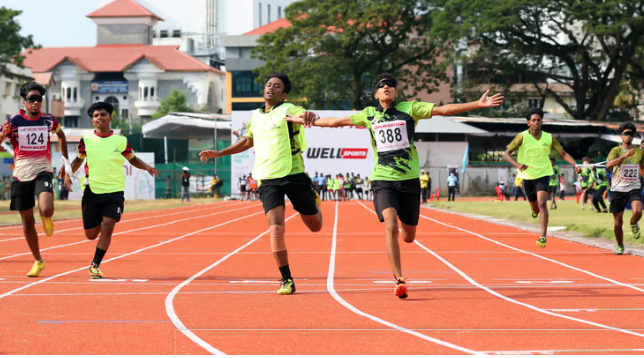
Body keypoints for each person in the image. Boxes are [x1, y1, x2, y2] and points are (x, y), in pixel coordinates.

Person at [285, 72, 503, 298]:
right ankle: (399, 278)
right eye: (382, 86)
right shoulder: (369, 114)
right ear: (376, 94)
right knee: (390, 224)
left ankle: (402, 232)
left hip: (409, 181)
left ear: (396, 92)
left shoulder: (410, 109)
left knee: (408, 236)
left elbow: (443, 110)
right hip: (383, 179)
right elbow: (335, 122)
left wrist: (477, 104)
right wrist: (308, 120)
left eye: (390, 85)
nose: (386, 87)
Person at [200, 72, 322, 295]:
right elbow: (248, 141)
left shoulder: (288, 109)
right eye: (268, 84)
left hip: (294, 175)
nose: (271, 88)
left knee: (315, 226)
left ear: (284, 94)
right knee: (276, 228)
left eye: (277, 86)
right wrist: (218, 153)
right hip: (267, 178)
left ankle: (312, 197)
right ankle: (286, 279)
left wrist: (308, 115)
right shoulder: (255, 116)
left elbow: (302, 113)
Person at [64, 102, 160, 279]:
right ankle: (101, 222)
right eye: (95, 116)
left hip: (115, 191)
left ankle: (95, 265)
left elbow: (132, 159)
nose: (99, 118)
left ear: (110, 118)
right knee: (91, 235)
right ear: (92, 121)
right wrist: (68, 174)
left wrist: (147, 167)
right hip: (92, 190)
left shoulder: (121, 141)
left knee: (108, 226)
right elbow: (78, 160)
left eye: (102, 114)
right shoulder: (86, 140)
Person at [0, 82, 70, 277]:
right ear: (24, 102)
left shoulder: (49, 119)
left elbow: (61, 136)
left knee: (47, 208)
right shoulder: (14, 120)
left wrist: (65, 162)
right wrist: (3, 135)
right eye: (32, 99)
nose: (36, 103)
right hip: (21, 173)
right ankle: (38, 260)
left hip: (43, 169)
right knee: (27, 221)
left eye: (39, 99)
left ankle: (46, 216)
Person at [503, 108, 580, 249]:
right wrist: (517, 164)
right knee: (535, 207)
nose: (536, 122)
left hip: (543, 174)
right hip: (527, 176)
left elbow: (563, 153)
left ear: (542, 122)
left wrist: (575, 165)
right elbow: (506, 154)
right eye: (533, 120)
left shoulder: (549, 137)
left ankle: (543, 236)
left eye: (538, 120)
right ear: (528, 123)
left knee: (542, 203)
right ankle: (534, 210)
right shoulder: (521, 136)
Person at [606, 122, 643, 254]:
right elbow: (608, 165)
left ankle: (633, 223)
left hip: (634, 187)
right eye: (626, 133)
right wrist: (624, 156)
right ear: (621, 136)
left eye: (631, 134)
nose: (629, 136)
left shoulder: (639, 152)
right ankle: (620, 245)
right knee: (618, 223)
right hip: (618, 189)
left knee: (638, 211)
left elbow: (642, 167)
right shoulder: (615, 150)